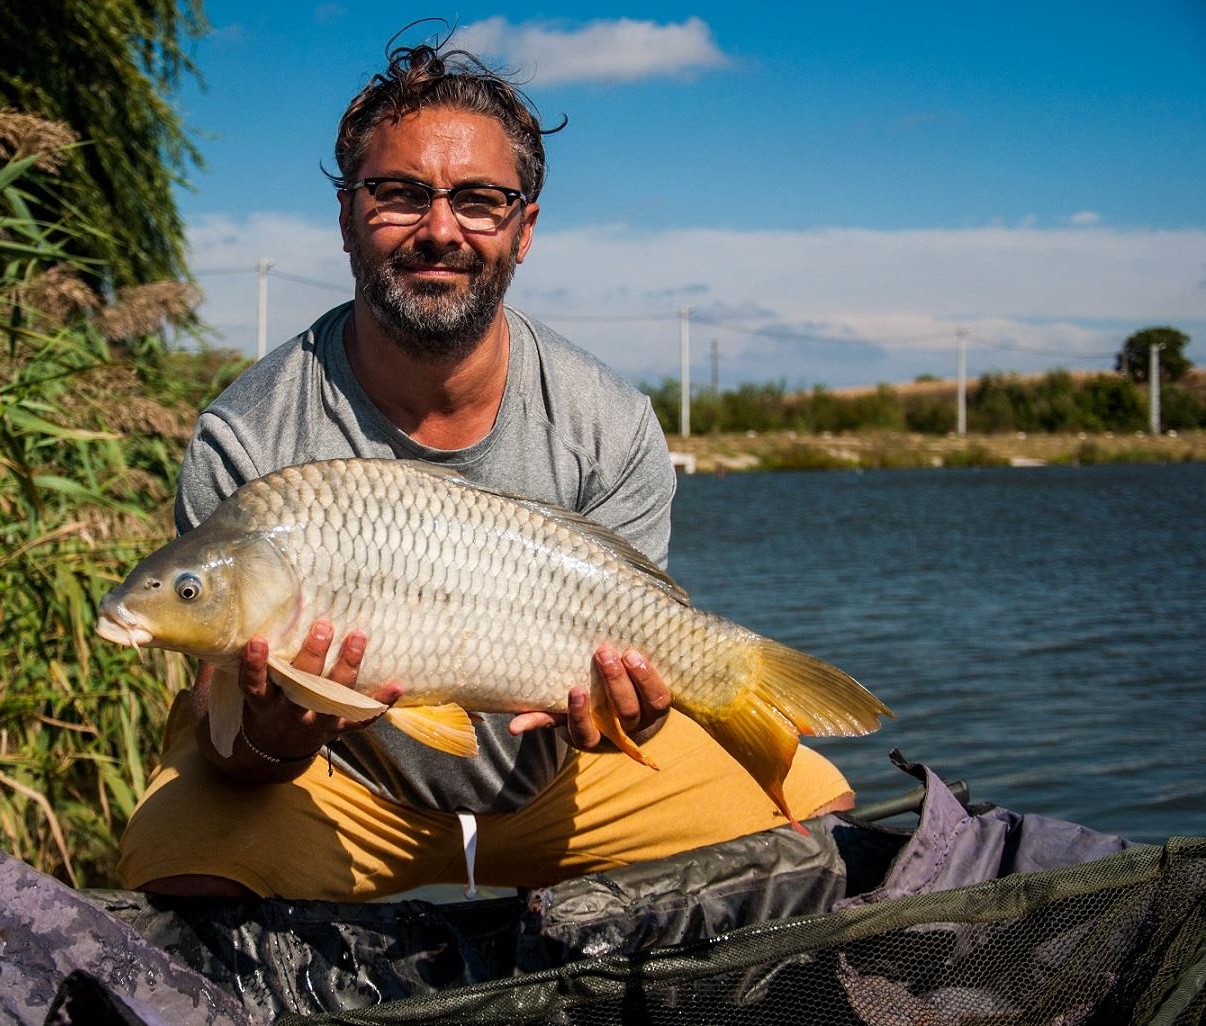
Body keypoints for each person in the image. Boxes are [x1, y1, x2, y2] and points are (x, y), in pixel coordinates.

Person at [119, 44, 853, 901]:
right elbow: (223, 736)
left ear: (523, 228)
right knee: (181, 875)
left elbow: (633, 653)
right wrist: (279, 736)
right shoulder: (246, 435)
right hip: (335, 790)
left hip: (569, 779)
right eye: (398, 194)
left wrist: (633, 706)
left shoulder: (608, 421)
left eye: (478, 201)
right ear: (347, 215)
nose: (439, 229)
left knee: (816, 819)